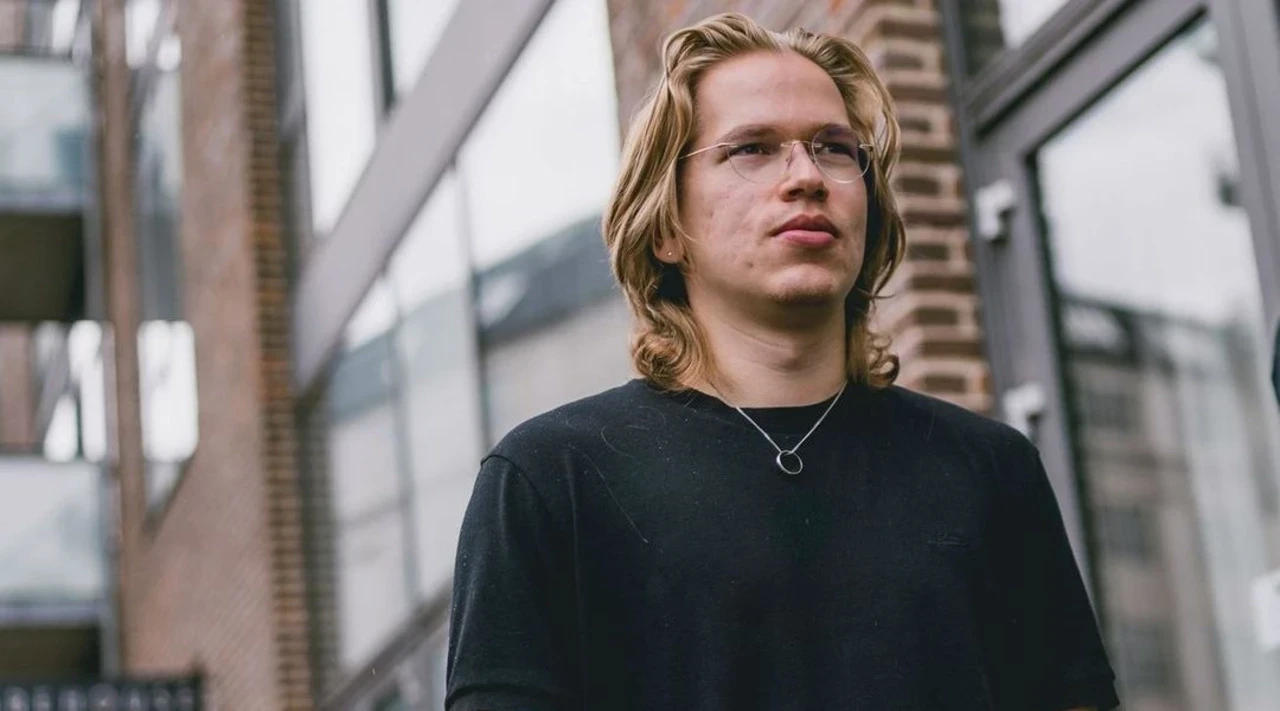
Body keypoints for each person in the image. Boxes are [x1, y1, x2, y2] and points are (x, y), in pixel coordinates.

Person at [446, 12, 1118, 711]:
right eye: (753, 149)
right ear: (667, 224)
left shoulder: (992, 471)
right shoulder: (552, 481)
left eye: (834, 148)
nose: (806, 176)